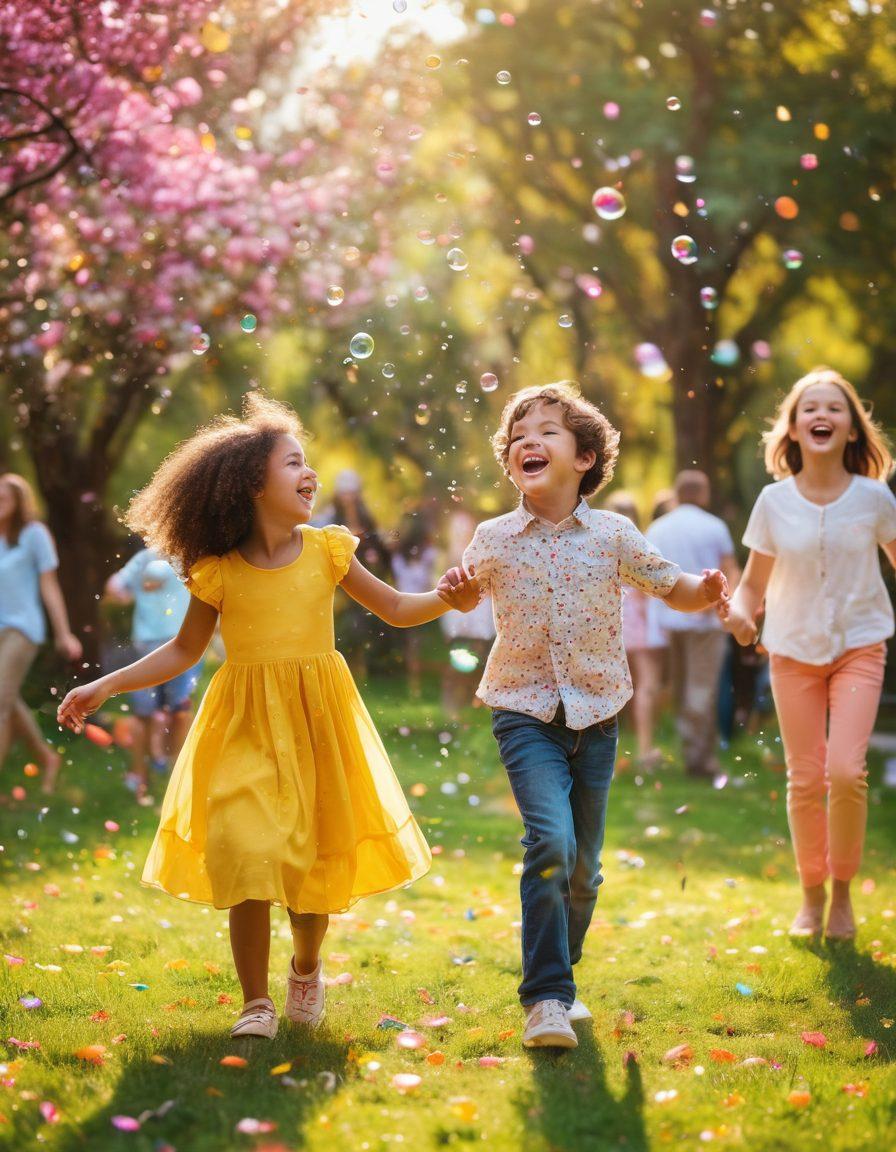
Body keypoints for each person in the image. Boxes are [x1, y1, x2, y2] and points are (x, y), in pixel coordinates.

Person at [57, 394, 479, 1039]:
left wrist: (447, 599)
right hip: (245, 724)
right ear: (254, 484)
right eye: (294, 463)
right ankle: (255, 1003)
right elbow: (184, 650)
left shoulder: (328, 551)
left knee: (311, 869)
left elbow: (396, 607)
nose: (309, 473)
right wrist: (107, 686)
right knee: (245, 848)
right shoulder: (218, 572)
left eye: (308, 462)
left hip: (318, 723)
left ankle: (305, 967)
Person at [440, 382, 729, 1049]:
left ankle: (561, 976)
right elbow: (461, 597)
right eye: (517, 436)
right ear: (509, 461)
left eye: (545, 431)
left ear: (585, 457)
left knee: (584, 868)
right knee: (550, 842)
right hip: (523, 711)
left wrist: (705, 590)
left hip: (597, 715)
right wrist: (455, 595)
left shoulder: (614, 534)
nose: (527, 442)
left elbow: (671, 586)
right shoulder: (494, 537)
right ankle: (544, 998)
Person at [725, 367, 896, 941]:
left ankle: (843, 894)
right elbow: (752, 585)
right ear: (793, 430)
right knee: (805, 779)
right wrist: (743, 616)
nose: (821, 415)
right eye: (809, 409)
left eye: (835, 409)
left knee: (845, 771)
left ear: (852, 430)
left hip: (859, 646)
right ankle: (810, 896)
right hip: (792, 650)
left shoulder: (875, 498)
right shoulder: (773, 502)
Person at [646, 471, 740, 778]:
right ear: (703, 494)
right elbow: (728, 570)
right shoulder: (714, 526)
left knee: (681, 687)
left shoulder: (659, 528)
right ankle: (700, 759)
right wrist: (727, 608)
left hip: (670, 618)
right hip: (707, 620)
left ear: (677, 492)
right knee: (702, 687)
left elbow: (650, 573)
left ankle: (692, 752)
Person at [0, 473, 82, 792]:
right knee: (7, 698)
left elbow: (49, 586)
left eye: (4, 497)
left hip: (23, 628)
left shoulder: (34, 534)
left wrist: (64, 634)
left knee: (0, 702)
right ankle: (46, 758)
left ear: (19, 502)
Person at [104, 548, 203, 802]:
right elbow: (115, 586)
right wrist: (127, 591)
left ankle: (171, 777)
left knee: (176, 711)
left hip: (183, 643)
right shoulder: (146, 558)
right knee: (151, 713)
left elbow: (116, 587)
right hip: (152, 644)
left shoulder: (190, 552)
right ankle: (144, 775)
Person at [603, 491, 665, 769]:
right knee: (647, 688)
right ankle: (644, 750)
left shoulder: (596, 545)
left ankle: (605, 757)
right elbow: (650, 591)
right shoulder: (641, 547)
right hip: (639, 627)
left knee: (608, 693)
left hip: (608, 630)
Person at [313, 469, 396, 679]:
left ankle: (371, 667)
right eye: (345, 493)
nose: (348, 498)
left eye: (352, 493)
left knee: (369, 621)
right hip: (339, 582)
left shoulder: (366, 517)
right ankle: (345, 668)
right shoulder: (329, 519)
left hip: (364, 574)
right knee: (346, 627)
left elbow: (377, 545)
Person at [439, 507, 496, 720]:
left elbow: (488, 588)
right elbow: (444, 593)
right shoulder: (451, 557)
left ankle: (477, 706)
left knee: (482, 663)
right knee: (458, 666)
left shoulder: (480, 553)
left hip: (479, 620)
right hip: (461, 621)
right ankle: (453, 707)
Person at [390, 511, 438, 697]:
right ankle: (414, 687)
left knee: (416, 648)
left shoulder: (428, 554)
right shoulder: (398, 553)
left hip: (423, 605)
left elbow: (432, 581)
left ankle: (416, 687)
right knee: (412, 648)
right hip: (402, 605)